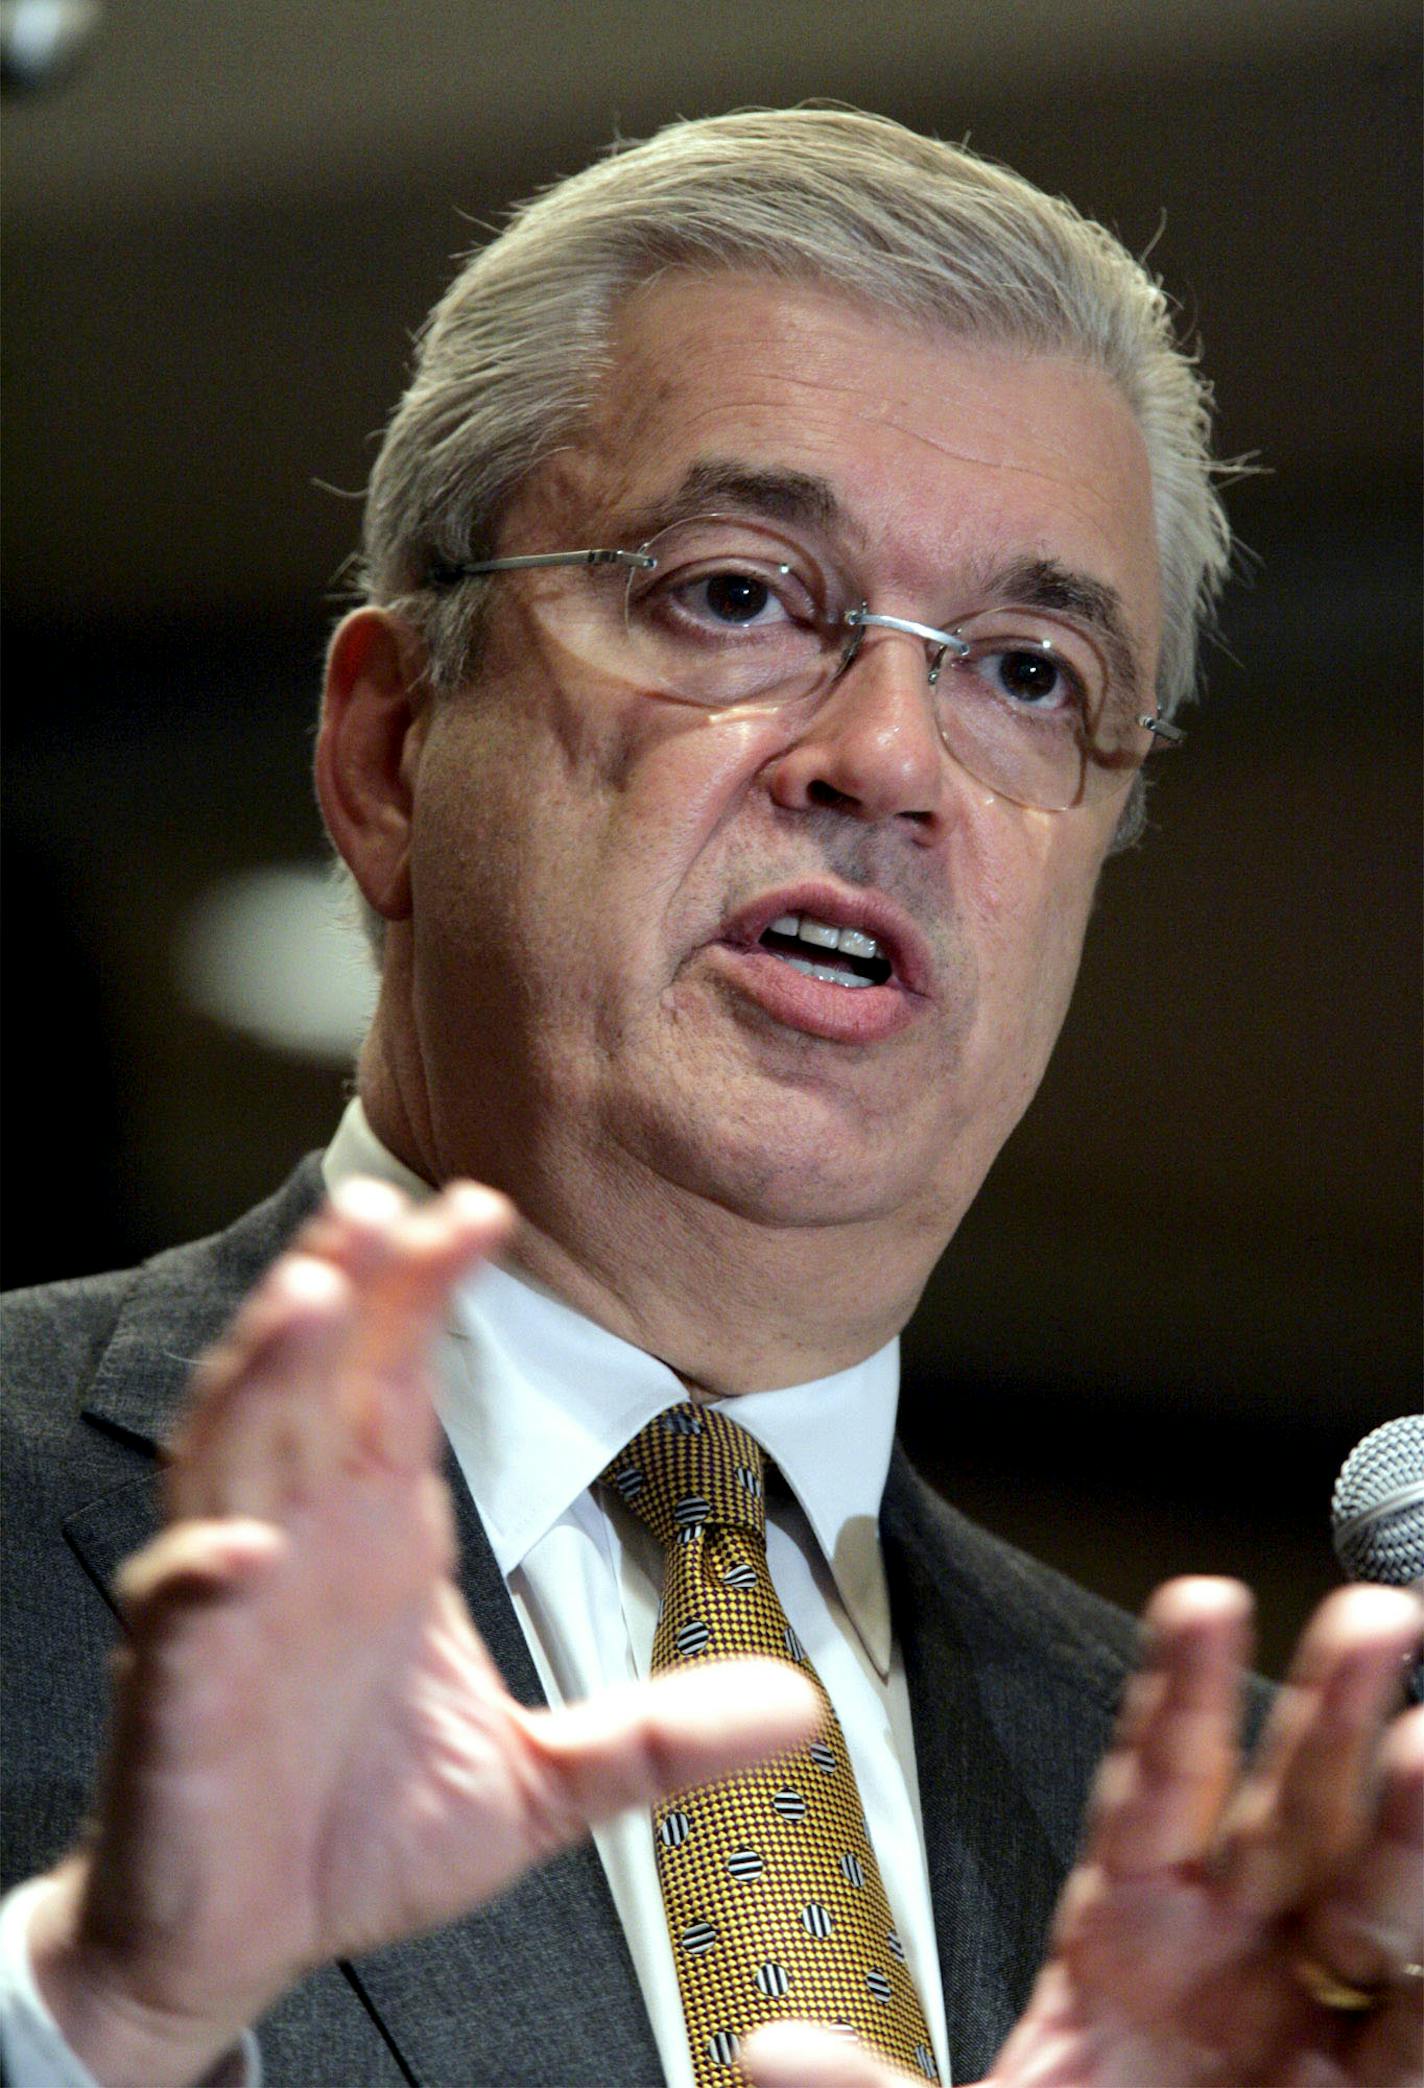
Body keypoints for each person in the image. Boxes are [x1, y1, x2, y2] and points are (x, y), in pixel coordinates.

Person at [2, 106, 1419, 2088]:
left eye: (1026, 671)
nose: (888, 759)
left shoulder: (1294, 1884)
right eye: (740, 595)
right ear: (392, 750)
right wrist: (100, 2014)